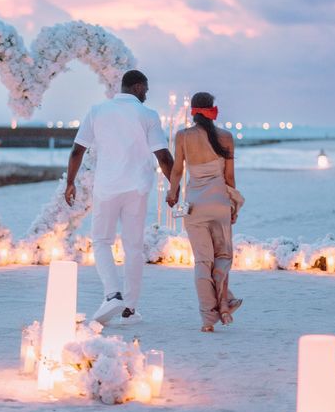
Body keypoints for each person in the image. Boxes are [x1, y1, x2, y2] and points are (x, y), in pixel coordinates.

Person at [65, 70, 174, 325]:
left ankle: (112, 294)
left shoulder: (97, 110)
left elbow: (76, 151)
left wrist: (70, 182)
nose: (146, 95)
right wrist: (176, 187)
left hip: (107, 188)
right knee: (133, 247)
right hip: (137, 188)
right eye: (145, 90)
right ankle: (130, 310)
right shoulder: (147, 115)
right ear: (136, 87)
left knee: (101, 241)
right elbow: (163, 157)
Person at [166, 92, 243, 332]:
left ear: (193, 110)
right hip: (220, 202)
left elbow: (177, 170)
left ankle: (208, 320)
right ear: (212, 109)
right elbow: (229, 177)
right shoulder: (226, 137)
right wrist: (234, 205)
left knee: (202, 261)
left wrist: (172, 192)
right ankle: (224, 303)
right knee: (222, 257)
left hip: (195, 207)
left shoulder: (183, 136)